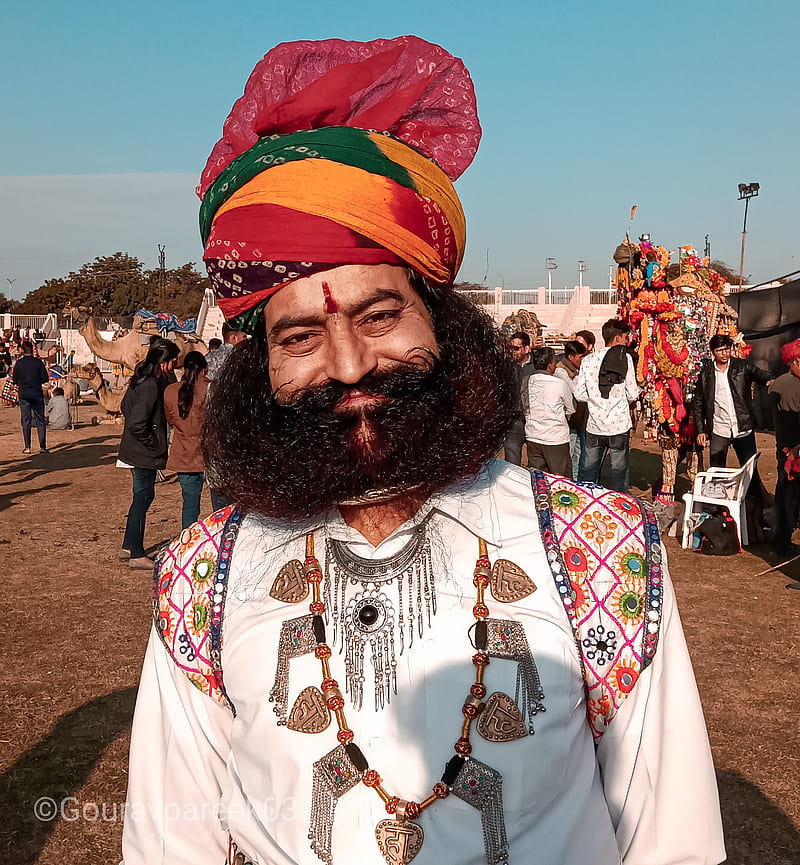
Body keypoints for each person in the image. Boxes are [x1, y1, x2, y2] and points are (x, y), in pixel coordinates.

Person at [122, 37, 724, 865]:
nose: (348, 365)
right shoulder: (202, 577)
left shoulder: (600, 550)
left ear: (440, 321)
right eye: (300, 334)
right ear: (260, 364)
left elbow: (673, 844)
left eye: (379, 317)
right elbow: (168, 845)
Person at [118, 339, 180, 569]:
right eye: (173, 361)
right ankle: (136, 552)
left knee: (141, 498)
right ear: (164, 362)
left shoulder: (140, 379)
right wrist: (153, 441)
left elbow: (125, 407)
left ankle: (128, 545)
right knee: (142, 499)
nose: (175, 366)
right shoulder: (151, 385)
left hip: (136, 450)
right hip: (143, 452)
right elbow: (136, 421)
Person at [573, 319, 640, 492]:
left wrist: (595, 399)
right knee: (618, 473)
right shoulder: (625, 358)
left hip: (595, 426)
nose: (627, 340)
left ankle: (587, 506)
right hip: (618, 426)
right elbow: (632, 393)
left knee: (589, 472)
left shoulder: (588, 361)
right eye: (626, 337)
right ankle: (620, 510)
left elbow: (579, 394)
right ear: (617, 338)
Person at [693, 334, 772, 469]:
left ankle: (752, 491)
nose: (724, 353)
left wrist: (769, 379)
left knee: (750, 471)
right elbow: (698, 403)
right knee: (717, 472)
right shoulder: (706, 374)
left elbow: (758, 373)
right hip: (719, 429)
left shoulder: (742, 366)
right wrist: (701, 430)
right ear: (712, 352)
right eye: (720, 350)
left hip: (743, 428)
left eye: (726, 349)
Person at [164, 351, 209, 530]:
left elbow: (170, 420)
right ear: (204, 370)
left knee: (190, 506)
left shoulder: (170, 391)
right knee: (221, 507)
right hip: (209, 455)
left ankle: (188, 543)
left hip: (183, 454)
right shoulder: (211, 389)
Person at [767, 339, 800, 558]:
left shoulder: (777, 384)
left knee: (785, 495)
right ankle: (781, 540)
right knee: (787, 495)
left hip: (786, 447)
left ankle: (782, 539)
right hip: (792, 451)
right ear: (795, 361)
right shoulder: (785, 386)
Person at [524, 346, 574, 477]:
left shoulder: (526, 381)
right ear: (551, 365)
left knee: (538, 481)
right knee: (561, 482)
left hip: (533, 437)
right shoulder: (559, 383)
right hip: (555, 439)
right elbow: (571, 408)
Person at [555, 340, 588, 479]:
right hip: (569, 420)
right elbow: (575, 390)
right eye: (580, 357)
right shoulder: (560, 370)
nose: (583, 360)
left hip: (581, 418)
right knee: (569, 454)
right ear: (571, 357)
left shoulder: (577, 368)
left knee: (580, 454)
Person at [12, 340, 49, 454]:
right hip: (37, 393)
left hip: (24, 394)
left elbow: (14, 380)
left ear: (22, 350)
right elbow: (45, 379)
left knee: (26, 420)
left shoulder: (19, 363)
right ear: (33, 350)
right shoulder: (38, 363)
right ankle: (42, 447)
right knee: (40, 420)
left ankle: (27, 447)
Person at [503, 331, 534, 465]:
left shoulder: (538, 365)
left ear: (527, 349)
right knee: (511, 465)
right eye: (511, 348)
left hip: (534, 420)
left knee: (536, 465)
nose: (513, 352)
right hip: (513, 421)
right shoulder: (506, 367)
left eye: (516, 348)